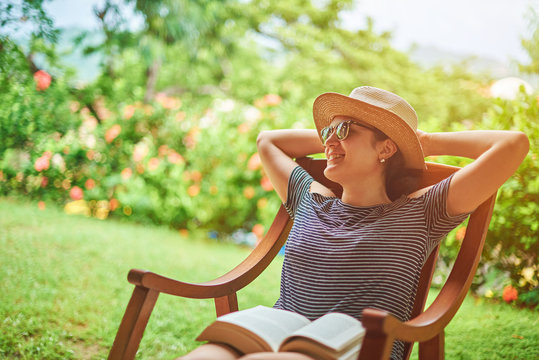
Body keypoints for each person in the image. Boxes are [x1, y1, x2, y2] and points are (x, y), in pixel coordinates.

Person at [178, 86, 529, 360]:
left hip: (355, 348)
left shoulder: (423, 211)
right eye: (327, 131)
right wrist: (337, 138)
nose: (329, 140)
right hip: (274, 332)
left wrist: (424, 143)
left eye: (345, 129)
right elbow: (268, 141)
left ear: (386, 149)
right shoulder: (309, 196)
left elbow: (513, 145)